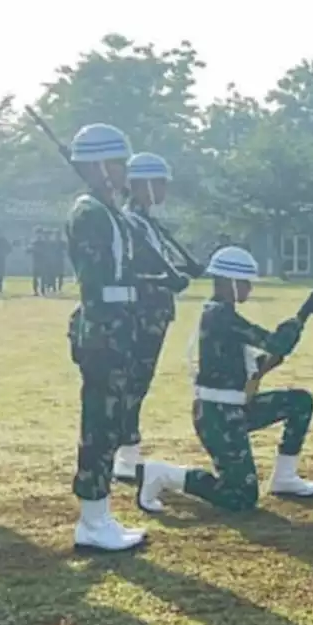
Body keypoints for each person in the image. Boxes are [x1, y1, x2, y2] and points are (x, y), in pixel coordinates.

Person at [65, 123, 187, 552]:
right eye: (117, 164)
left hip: (117, 327)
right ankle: (93, 521)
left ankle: (98, 516)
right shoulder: (91, 213)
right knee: (100, 424)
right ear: (99, 166)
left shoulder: (106, 211)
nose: (124, 172)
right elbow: (99, 281)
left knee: (110, 419)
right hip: (105, 330)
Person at [136, 246, 313, 514]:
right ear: (230, 282)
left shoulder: (222, 313)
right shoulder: (220, 316)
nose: (249, 288)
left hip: (234, 408)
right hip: (218, 416)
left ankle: (284, 478)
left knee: (299, 402)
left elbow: (258, 363)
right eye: (246, 283)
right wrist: (303, 314)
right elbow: (276, 343)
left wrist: (276, 351)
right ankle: (163, 475)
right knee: (240, 496)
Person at [113, 152, 201, 482]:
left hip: (157, 312)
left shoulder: (148, 223)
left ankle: (127, 451)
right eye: (159, 183)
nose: (164, 189)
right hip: (141, 312)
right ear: (141, 185)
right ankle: (124, 453)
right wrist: (167, 280)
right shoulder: (131, 222)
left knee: (141, 381)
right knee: (132, 381)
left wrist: (181, 270)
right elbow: (130, 270)